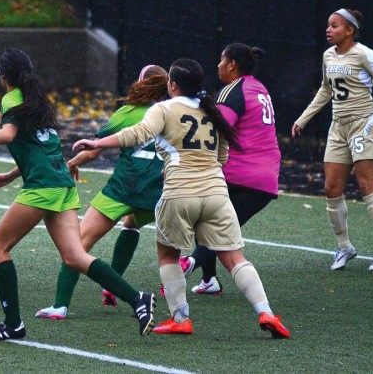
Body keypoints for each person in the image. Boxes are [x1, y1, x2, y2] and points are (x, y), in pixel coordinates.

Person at [0, 48, 155, 341]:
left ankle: (13, 324)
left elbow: (9, 136)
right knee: (75, 255)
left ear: (4, 77)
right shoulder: (38, 99)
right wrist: (12, 174)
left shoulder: (12, 99)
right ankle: (138, 298)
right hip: (62, 184)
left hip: (43, 187)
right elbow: (39, 148)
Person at [74, 58, 289, 338]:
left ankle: (181, 318)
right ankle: (266, 312)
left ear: (172, 85)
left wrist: (98, 142)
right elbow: (222, 157)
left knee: (168, 255)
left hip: (178, 193)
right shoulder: (213, 111)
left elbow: (138, 133)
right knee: (235, 258)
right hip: (216, 193)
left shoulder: (164, 108)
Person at [35, 65, 168, 320]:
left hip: (123, 189)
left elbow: (95, 150)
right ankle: (116, 287)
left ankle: (61, 305)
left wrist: (72, 163)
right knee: (132, 226)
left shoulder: (127, 113)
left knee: (78, 244)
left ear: (140, 84)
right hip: (155, 194)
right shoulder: (173, 113)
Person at [182, 44, 280, 293]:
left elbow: (218, 129)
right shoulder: (258, 88)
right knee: (207, 216)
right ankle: (209, 280)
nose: (217, 65)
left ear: (232, 65)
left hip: (242, 175)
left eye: (221, 60)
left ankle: (190, 263)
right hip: (265, 175)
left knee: (212, 223)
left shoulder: (233, 90)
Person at [292, 8, 373, 271]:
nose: (328, 29)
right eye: (328, 25)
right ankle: (344, 248)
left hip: (364, 123)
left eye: (335, 25)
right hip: (338, 127)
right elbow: (326, 90)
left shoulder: (364, 54)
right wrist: (302, 119)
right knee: (331, 188)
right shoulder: (328, 55)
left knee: (366, 186)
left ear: (350, 31)